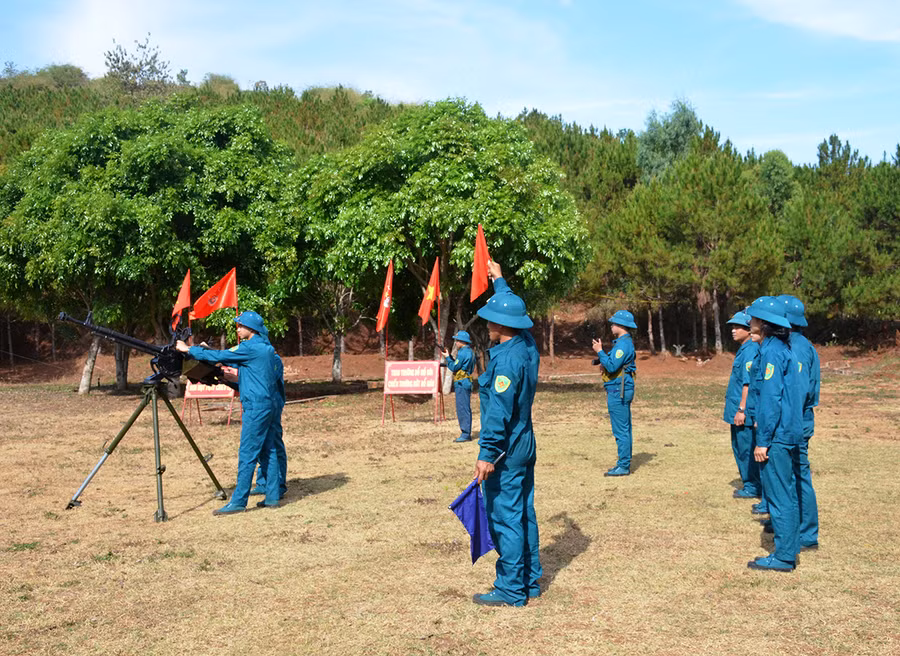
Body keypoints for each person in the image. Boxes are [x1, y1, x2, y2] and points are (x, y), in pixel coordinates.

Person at [471, 260, 541, 607]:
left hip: (506, 449)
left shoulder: (505, 363)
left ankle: (511, 589)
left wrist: (486, 454)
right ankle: (530, 580)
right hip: (525, 441)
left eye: (489, 319)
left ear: (501, 324)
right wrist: (499, 280)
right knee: (524, 511)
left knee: (506, 517)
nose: (486, 324)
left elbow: (497, 415)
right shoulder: (527, 344)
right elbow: (514, 305)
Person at [176, 311, 282, 515]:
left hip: (255, 407)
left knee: (248, 453)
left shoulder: (251, 348)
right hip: (267, 405)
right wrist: (213, 357)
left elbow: (223, 357)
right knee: (268, 450)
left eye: (241, 326)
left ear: (251, 329)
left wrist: (188, 349)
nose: (238, 329)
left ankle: (239, 501)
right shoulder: (264, 348)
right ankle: (272, 496)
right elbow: (233, 361)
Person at [745, 297, 804, 571]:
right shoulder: (778, 348)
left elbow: (771, 400)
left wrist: (763, 441)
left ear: (765, 325)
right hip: (786, 433)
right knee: (786, 493)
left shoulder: (772, 352)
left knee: (780, 496)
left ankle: (783, 556)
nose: (750, 323)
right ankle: (788, 551)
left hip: (776, 437)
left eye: (754, 318)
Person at [778, 294, 820, 551]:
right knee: (790, 474)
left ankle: (806, 533)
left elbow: (798, 390)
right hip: (792, 420)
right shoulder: (792, 344)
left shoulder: (798, 347)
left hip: (795, 421)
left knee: (798, 474)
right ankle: (792, 523)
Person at [591, 310, 637, 476]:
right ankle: (624, 463)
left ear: (621, 326)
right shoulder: (622, 343)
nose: (611, 326)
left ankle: (623, 465)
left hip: (619, 390)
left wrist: (599, 351)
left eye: (614, 323)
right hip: (619, 388)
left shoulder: (623, 345)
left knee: (621, 429)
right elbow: (613, 363)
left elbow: (611, 366)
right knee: (624, 428)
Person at [724, 310, 761, 499]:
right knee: (740, 446)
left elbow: (748, 383)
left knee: (745, 448)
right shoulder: (744, 349)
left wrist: (742, 409)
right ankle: (751, 483)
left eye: (739, 327)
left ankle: (752, 486)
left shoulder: (750, 351)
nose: (733, 330)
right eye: (732, 326)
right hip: (737, 407)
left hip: (743, 411)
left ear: (749, 329)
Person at [441, 331, 476, 443]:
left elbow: (454, 367)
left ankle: (465, 434)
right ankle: (466, 432)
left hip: (461, 382)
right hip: (466, 381)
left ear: (462, 341)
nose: (456, 342)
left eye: (457, 340)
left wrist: (447, 357)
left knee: (462, 408)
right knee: (465, 407)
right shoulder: (470, 351)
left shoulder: (463, 352)